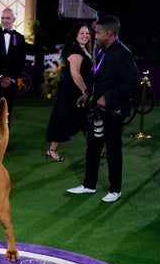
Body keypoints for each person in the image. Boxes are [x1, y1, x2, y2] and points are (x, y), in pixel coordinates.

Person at [66, 15, 139, 203]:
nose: (94, 35)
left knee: (113, 149)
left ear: (109, 32)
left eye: (97, 32)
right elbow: (98, 78)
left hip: (114, 111)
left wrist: (108, 97)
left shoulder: (122, 53)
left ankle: (116, 189)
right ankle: (89, 185)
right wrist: (88, 93)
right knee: (93, 147)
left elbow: (133, 83)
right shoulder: (101, 50)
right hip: (97, 110)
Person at [44, 22, 93, 162]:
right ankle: (52, 150)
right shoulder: (75, 51)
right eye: (82, 33)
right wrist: (86, 91)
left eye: (87, 33)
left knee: (86, 121)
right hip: (72, 93)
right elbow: (75, 74)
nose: (85, 35)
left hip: (77, 92)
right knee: (65, 121)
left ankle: (93, 149)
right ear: (75, 35)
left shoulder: (82, 49)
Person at [0, 7, 26, 152]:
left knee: (8, 113)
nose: (5, 21)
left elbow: (21, 61)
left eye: (7, 18)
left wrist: (11, 78)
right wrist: (0, 77)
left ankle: (3, 143)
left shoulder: (19, 38)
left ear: (13, 20)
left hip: (11, 84)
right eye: (2, 18)